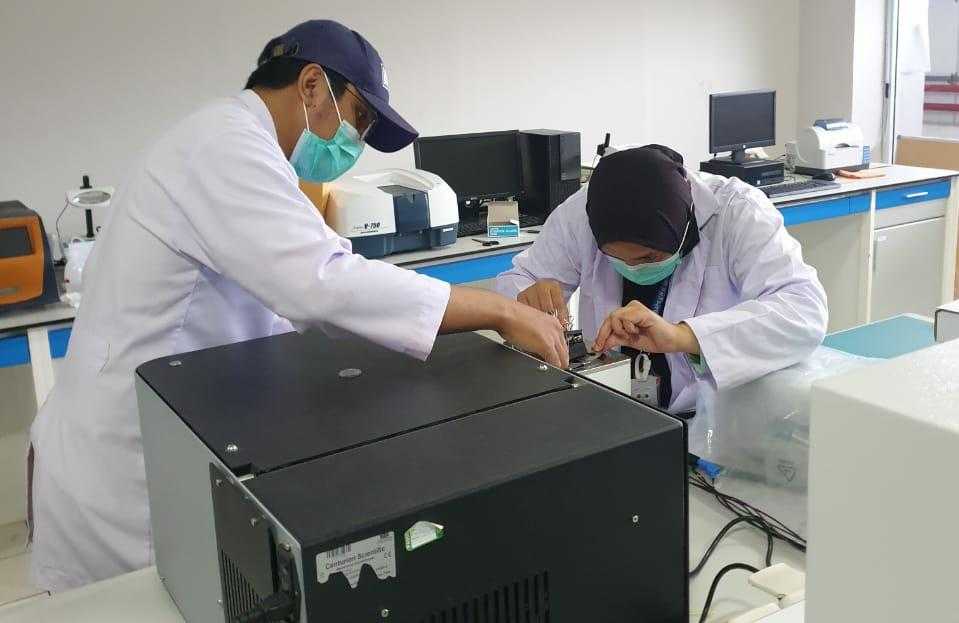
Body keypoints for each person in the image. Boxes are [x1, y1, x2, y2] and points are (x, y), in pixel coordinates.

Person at [29, 20, 568, 592]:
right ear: (312, 86)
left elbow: (308, 288)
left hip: (169, 438)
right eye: (359, 118)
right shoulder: (224, 146)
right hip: (126, 474)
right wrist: (501, 311)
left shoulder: (241, 148)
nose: (356, 142)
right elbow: (324, 285)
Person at [495, 144, 827, 412]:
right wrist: (525, 302)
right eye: (617, 259)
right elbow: (518, 278)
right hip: (608, 406)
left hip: (710, 416)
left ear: (686, 228)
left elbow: (803, 312)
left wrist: (682, 336)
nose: (635, 269)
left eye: (649, 258)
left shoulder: (738, 213)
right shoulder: (583, 211)